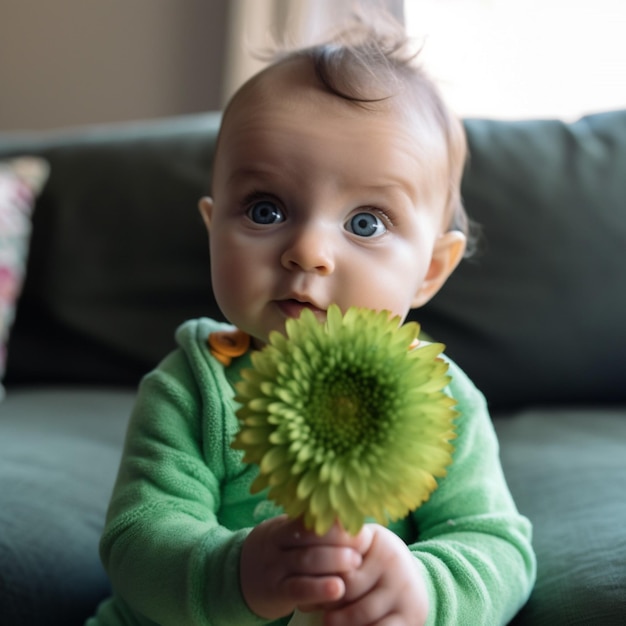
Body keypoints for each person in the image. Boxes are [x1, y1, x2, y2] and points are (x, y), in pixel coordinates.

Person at [87, 15, 535, 626]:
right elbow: (137, 542)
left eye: (366, 222)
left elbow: (496, 546)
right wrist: (239, 571)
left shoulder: (443, 398)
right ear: (212, 229)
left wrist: (423, 591)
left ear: (431, 269)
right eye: (266, 209)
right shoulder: (194, 385)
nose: (308, 251)